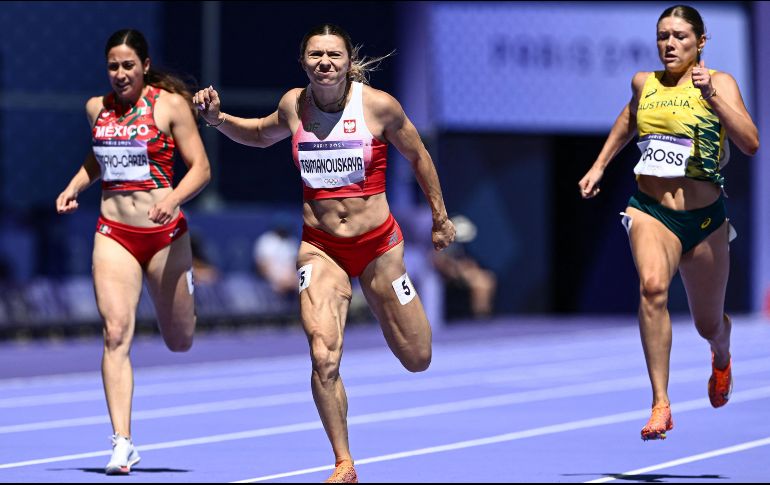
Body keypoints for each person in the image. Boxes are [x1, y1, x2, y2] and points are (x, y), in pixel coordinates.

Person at [193, 23, 455, 482]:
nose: (325, 63)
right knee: (322, 355)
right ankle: (344, 462)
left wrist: (440, 217)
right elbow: (257, 134)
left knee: (418, 357)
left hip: (380, 249)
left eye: (334, 55)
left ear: (349, 61)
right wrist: (218, 119)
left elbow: (418, 157)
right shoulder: (294, 106)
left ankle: (394, 315)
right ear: (303, 62)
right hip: (320, 250)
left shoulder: (378, 107)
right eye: (316, 55)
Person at [578, 5, 758, 441]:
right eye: (663, 36)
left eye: (679, 36)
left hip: (704, 221)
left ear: (701, 42)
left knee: (707, 324)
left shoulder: (721, 83)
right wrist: (600, 165)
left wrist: (713, 96)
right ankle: (661, 402)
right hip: (651, 210)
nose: (669, 44)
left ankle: (721, 355)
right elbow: (628, 117)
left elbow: (750, 142)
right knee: (653, 287)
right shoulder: (646, 83)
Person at [56, 29, 211, 474]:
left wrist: (173, 198)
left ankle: (187, 293)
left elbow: (201, 168)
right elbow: (99, 158)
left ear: (144, 65)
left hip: (164, 236)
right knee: (115, 332)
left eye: (128, 65)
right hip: (114, 234)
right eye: (113, 66)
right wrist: (74, 187)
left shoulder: (169, 106)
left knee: (179, 341)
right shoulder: (96, 109)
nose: (120, 74)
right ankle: (122, 441)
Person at [253, 225, 300, 299]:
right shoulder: (266, 240)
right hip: (269, 280)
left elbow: (295, 266)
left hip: (290, 280)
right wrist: (276, 280)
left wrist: (290, 280)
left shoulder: (292, 241)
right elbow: (261, 267)